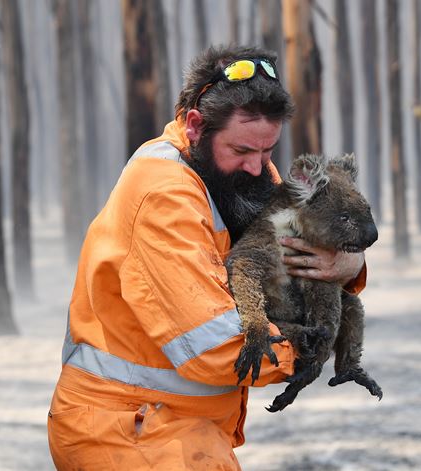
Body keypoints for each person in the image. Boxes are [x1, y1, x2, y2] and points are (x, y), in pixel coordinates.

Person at [47, 45, 367, 470]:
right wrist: (310, 346)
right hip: (128, 431)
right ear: (196, 126)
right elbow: (215, 346)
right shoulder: (164, 196)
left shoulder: (238, 174)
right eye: (242, 152)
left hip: (178, 426)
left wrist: (351, 266)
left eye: (268, 151)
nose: (259, 168)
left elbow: (302, 249)